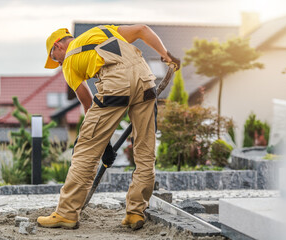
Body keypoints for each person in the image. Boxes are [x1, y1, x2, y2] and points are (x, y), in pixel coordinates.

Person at [37, 25, 180, 230]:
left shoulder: (69, 62)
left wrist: (101, 144)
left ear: (58, 46)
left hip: (116, 84)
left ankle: (66, 213)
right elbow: (142, 29)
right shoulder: (104, 30)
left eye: (55, 58)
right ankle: (135, 213)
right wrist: (166, 56)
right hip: (145, 79)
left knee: (86, 151)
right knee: (145, 151)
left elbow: (87, 104)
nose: (58, 63)